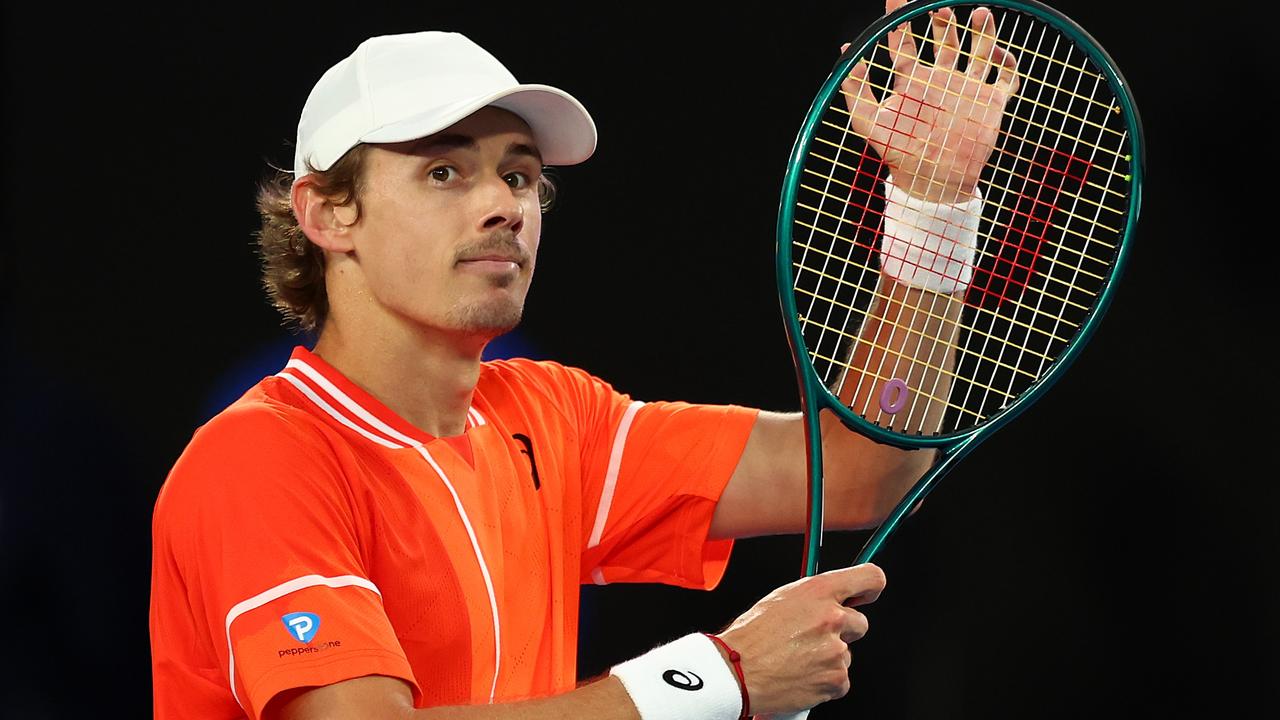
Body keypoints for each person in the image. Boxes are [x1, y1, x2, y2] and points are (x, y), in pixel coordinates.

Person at [149, 2, 1017, 718]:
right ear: (329, 215)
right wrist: (718, 679)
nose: (503, 206)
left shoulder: (553, 418)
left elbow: (867, 465)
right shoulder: (259, 460)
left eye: (521, 177)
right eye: (445, 173)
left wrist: (932, 206)